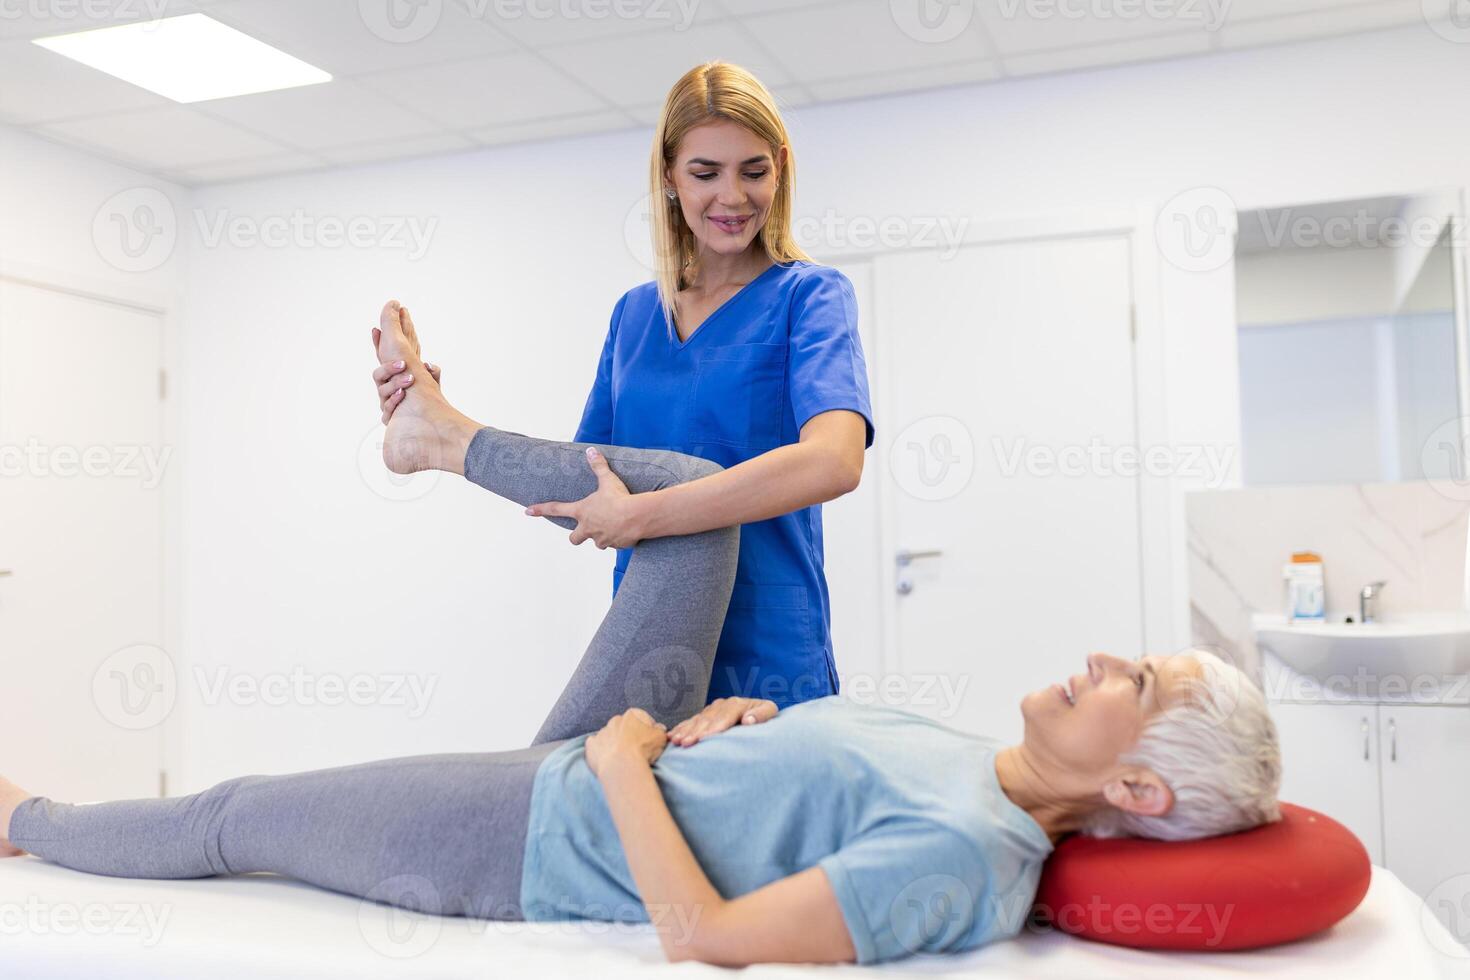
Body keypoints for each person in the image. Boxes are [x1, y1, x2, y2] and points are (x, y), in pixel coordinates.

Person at [2, 303, 1281, 967]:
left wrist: (623, 764)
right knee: (687, 504)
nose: (1113, 654)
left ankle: (28, 819)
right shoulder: (980, 763)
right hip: (636, 747)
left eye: (1146, 678)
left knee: (239, 814)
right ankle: (440, 438)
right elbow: (819, 790)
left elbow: (707, 937)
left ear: (1136, 782)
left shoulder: (969, 856)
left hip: (540, 828)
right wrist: (757, 722)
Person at [373, 61, 874, 711]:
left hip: (770, 654)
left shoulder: (810, 296)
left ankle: (442, 432)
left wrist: (645, 515)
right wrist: (445, 413)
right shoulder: (635, 315)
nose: (732, 196)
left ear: (780, 166)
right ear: (668, 175)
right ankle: (440, 433)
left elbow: (834, 460)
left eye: (754, 171)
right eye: (705, 173)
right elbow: (587, 489)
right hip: (654, 638)